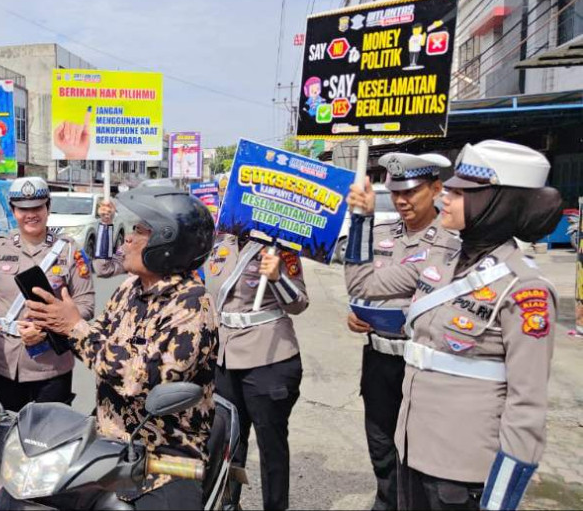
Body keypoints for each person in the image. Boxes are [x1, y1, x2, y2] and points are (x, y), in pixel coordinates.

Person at [344, 140, 563, 510]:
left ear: (495, 203)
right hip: (414, 452)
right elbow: (364, 285)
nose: (446, 198)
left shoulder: (524, 289)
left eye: (460, 193)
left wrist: (499, 501)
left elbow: (527, 409)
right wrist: (361, 220)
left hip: (462, 470)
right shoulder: (441, 260)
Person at [24, 185, 218, 510]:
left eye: (140, 231)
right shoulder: (130, 288)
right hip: (110, 445)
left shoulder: (192, 304)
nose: (127, 238)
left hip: (165, 458)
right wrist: (51, 328)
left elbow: (139, 378)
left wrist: (74, 327)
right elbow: (97, 337)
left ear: (166, 243)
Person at [346, 152, 453, 511]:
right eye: (395, 193)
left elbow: (367, 283)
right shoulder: (381, 234)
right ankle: (386, 502)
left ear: (436, 189)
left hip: (421, 364)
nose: (402, 201)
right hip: (378, 358)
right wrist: (356, 315)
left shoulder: (449, 242)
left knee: (419, 454)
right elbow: (362, 290)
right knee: (381, 447)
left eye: (411, 192)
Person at [205, 228, 310, 511]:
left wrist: (277, 277)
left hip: (268, 358)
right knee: (229, 442)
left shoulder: (280, 246)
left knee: (270, 444)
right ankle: (229, 504)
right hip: (225, 357)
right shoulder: (220, 242)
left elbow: (299, 303)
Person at [0, 176, 95, 413]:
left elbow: (85, 305)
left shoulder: (69, 251)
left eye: (37, 207)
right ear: (13, 211)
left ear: (48, 207)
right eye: (23, 209)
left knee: (48, 433)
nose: (31, 215)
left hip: (51, 366)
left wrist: (46, 330)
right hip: (2, 363)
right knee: (5, 431)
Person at [92, 197, 126, 278]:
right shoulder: (124, 251)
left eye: (139, 231)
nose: (128, 238)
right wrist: (106, 222)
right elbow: (103, 269)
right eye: (135, 230)